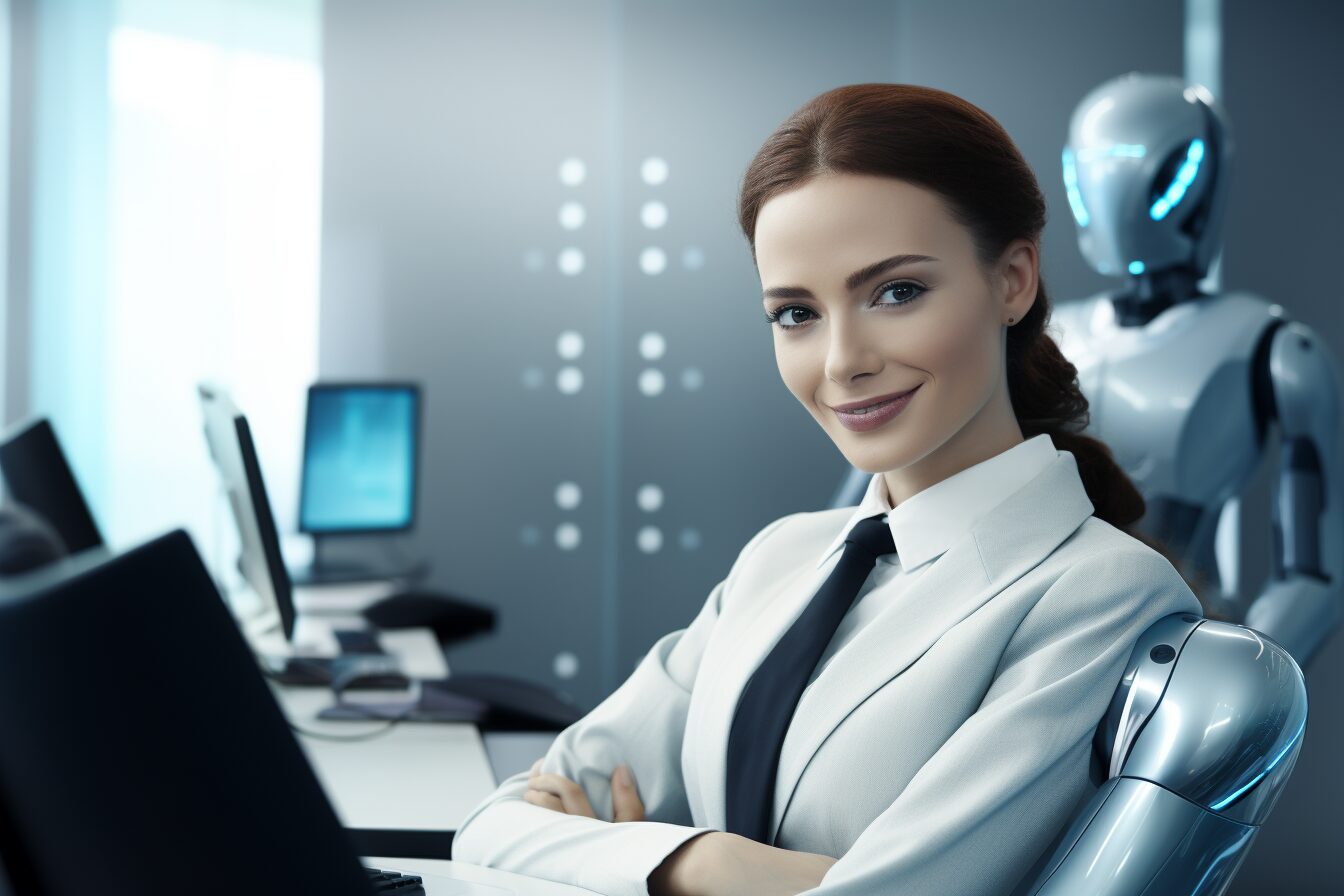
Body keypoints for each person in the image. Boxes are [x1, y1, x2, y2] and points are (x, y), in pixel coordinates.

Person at [450, 83, 1203, 896]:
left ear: (1013, 280)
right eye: (796, 314)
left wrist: (659, 856)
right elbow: (489, 829)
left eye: (897, 292)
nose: (842, 361)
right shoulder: (783, 557)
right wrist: (701, 862)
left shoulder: (1104, 594)